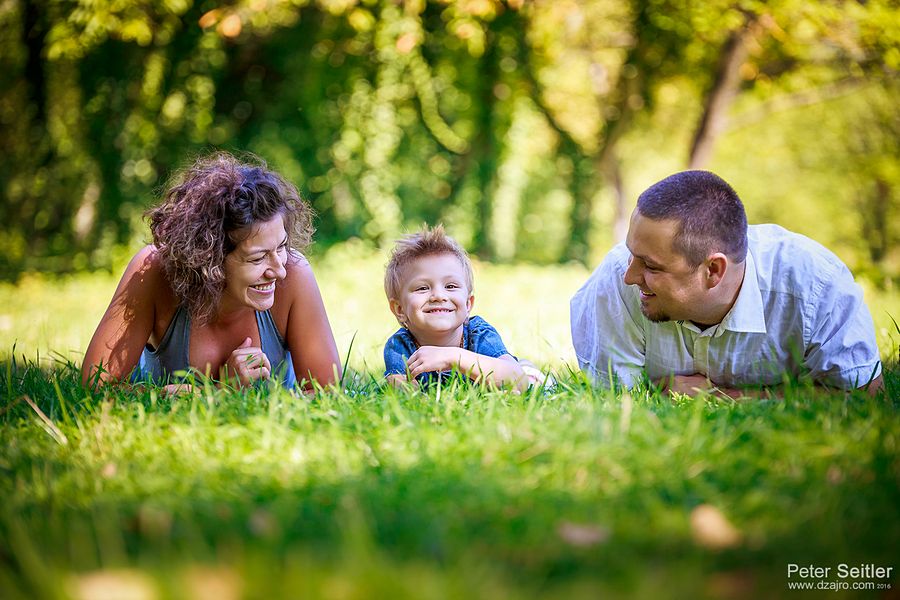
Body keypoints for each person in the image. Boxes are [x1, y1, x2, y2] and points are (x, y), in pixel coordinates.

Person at [570, 170, 883, 397]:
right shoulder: (615, 279)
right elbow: (614, 402)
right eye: (632, 255)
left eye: (651, 266)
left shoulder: (815, 284)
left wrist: (724, 397)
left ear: (713, 270)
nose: (630, 275)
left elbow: (862, 393)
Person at [82, 152, 341, 393]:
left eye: (282, 246)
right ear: (208, 258)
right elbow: (96, 385)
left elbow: (327, 394)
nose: (278, 271)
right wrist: (217, 391)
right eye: (257, 257)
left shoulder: (295, 272)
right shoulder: (153, 271)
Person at [383, 225, 544, 390]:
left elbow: (518, 381)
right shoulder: (400, 346)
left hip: (508, 372)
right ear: (399, 309)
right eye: (422, 288)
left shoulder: (478, 334)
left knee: (529, 378)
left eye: (451, 286)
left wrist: (453, 357)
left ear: (468, 304)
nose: (439, 295)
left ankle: (529, 369)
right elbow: (401, 388)